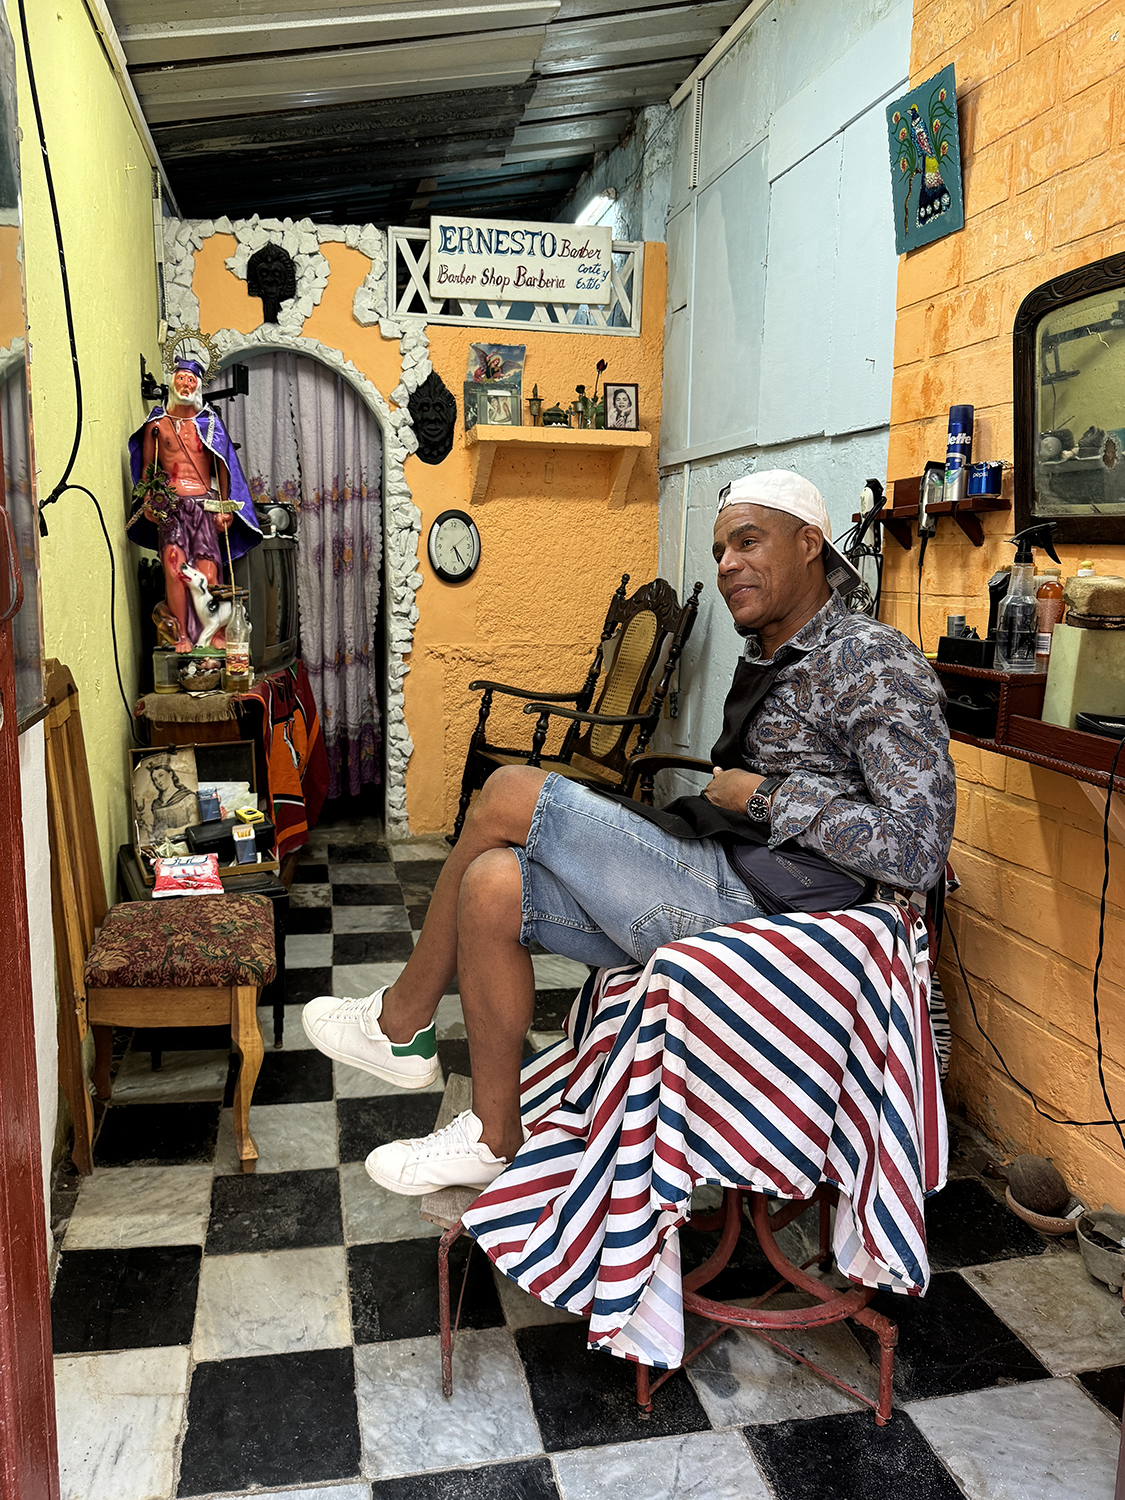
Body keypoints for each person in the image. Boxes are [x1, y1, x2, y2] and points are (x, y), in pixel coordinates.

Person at [303, 470, 956, 1196]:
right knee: (491, 884)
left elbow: (917, 846)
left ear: (809, 545)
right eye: (718, 550)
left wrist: (767, 795)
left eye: (747, 542)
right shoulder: (775, 651)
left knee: (510, 791)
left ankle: (400, 1021)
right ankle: (493, 1136)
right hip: (731, 868)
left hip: (781, 916)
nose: (727, 564)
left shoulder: (870, 658)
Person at [127, 357, 261, 652]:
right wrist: (149, 501)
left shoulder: (210, 424)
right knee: (175, 571)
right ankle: (182, 636)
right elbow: (147, 469)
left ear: (198, 385)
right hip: (171, 506)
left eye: (191, 380)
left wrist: (225, 506)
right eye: (181, 378)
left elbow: (225, 465)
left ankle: (212, 635)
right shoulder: (157, 425)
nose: (186, 385)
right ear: (172, 382)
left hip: (204, 506)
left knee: (207, 572)